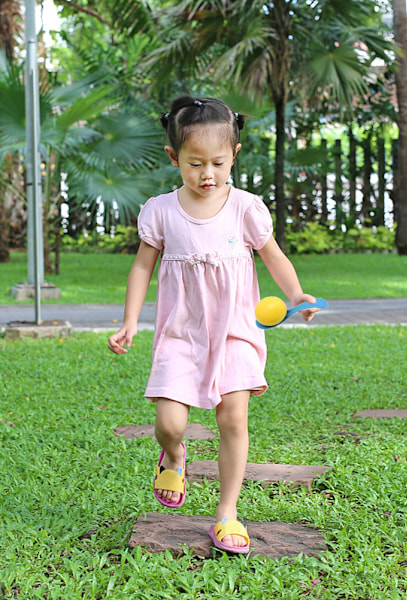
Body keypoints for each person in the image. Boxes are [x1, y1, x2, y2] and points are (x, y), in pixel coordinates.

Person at [108, 95, 320, 554]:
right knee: (169, 422)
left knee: (233, 416)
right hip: (180, 334)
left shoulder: (245, 208)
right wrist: (130, 321)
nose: (208, 174)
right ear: (174, 158)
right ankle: (175, 455)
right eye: (195, 163)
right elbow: (142, 268)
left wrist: (296, 294)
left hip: (236, 331)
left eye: (218, 163)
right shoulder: (161, 210)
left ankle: (226, 514)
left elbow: (274, 256)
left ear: (235, 156)